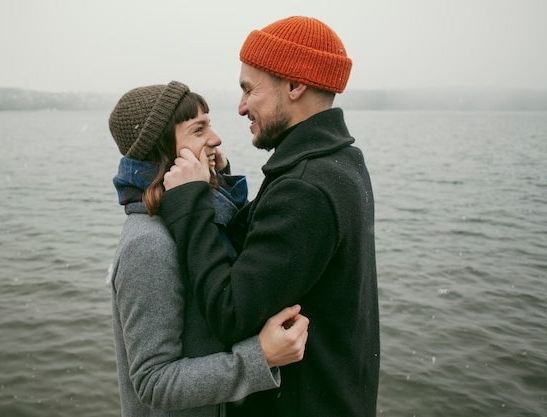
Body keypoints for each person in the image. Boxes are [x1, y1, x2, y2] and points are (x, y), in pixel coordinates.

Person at [161, 16, 380, 417]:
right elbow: (277, 254)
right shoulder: (342, 161)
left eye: (249, 89)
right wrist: (219, 186)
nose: (242, 106)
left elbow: (232, 313)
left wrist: (190, 205)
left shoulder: (306, 187)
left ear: (295, 85)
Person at [107, 81, 310, 417]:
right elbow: (152, 382)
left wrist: (216, 178)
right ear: (163, 151)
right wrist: (260, 357)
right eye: (198, 129)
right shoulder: (149, 244)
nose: (215, 139)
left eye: (210, 125)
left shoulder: (196, 218)